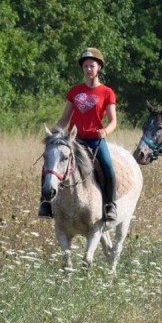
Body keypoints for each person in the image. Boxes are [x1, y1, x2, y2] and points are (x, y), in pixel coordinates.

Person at [38, 47, 118, 220]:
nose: (88, 69)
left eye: (92, 66)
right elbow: (64, 119)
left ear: (99, 68)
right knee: (49, 164)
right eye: (85, 66)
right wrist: (52, 134)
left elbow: (113, 121)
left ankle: (110, 206)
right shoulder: (74, 91)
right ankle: (45, 203)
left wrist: (105, 131)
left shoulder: (107, 92)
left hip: (95, 139)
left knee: (108, 168)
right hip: (74, 140)